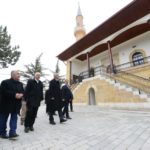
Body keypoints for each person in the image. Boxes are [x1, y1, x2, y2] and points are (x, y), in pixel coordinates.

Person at [0, 70, 24, 139]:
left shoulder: (20, 84)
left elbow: (23, 91)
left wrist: (21, 94)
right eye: (17, 74)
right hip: (5, 104)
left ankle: (12, 133)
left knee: (14, 118)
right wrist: (14, 95)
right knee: (3, 119)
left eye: (19, 74)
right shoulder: (5, 82)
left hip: (16, 105)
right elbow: (3, 92)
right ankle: (2, 133)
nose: (19, 75)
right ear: (12, 75)